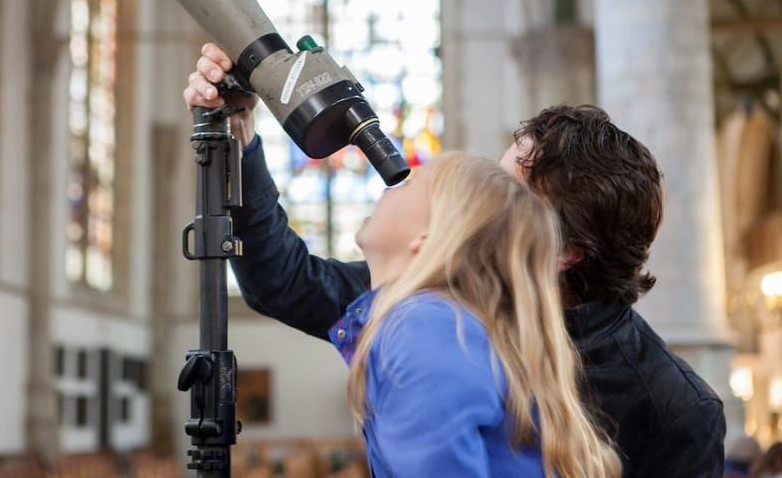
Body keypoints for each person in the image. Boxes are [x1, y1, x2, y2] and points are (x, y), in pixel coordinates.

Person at [183, 43, 727, 477]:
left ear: (563, 251)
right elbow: (283, 280)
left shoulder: (675, 410)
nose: (468, 198)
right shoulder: (440, 292)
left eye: (501, 193)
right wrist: (239, 135)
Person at [341, 150, 620, 476]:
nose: (392, 184)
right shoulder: (449, 324)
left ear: (430, 235)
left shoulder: (424, 326)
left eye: (414, 182)